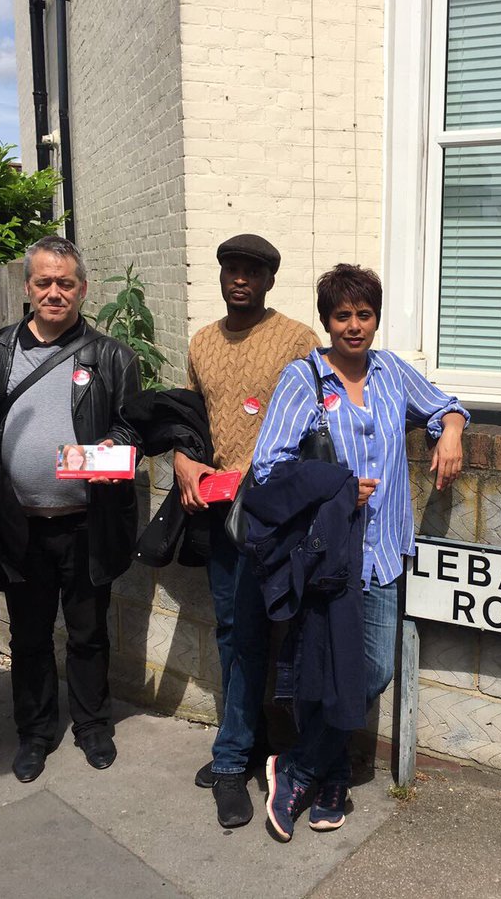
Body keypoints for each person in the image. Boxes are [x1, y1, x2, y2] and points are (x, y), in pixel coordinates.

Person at [251, 263, 467, 841]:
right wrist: (339, 486)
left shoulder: (392, 370)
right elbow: (269, 466)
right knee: (324, 670)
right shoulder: (303, 379)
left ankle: (299, 766)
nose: (354, 326)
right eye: (342, 315)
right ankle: (330, 778)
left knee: (371, 670)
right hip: (329, 557)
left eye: (364, 315)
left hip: (385, 553)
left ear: (376, 319)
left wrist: (450, 430)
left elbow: (445, 404)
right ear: (327, 320)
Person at [0, 235, 142, 782]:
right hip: (20, 525)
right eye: (43, 282)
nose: (54, 292)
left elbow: (133, 426)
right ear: (28, 287)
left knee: (88, 633)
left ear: (83, 289)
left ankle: (92, 726)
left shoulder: (112, 356)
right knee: (29, 635)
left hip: (86, 523)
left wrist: (113, 447)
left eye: (65, 283)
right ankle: (35, 733)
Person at [174, 234, 320, 828]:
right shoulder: (203, 343)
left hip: (273, 514)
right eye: (231, 269)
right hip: (218, 510)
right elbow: (189, 420)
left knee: (267, 633)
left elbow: (318, 423)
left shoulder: (297, 340)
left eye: (252, 271)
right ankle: (247, 741)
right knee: (235, 630)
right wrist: (183, 460)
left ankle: (232, 759)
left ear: (269, 281)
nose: (240, 278)